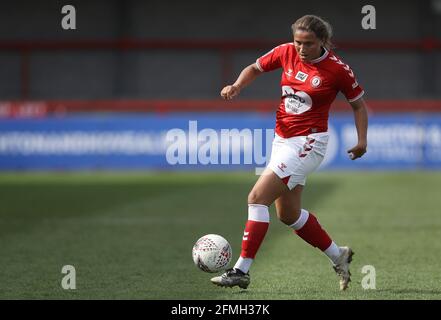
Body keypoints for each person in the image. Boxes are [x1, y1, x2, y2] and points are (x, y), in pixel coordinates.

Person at [211, 15, 368, 291]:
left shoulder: (337, 69)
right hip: (281, 141)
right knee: (289, 214)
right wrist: (237, 85)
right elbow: (255, 68)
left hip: (309, 142)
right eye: (298, 42)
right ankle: (338, 255)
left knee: (257, 198)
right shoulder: (285, 52)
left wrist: (362, 140)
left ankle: (240, 271)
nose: (301, 48)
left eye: (308, 43)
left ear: (322, 42)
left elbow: (358, 105)